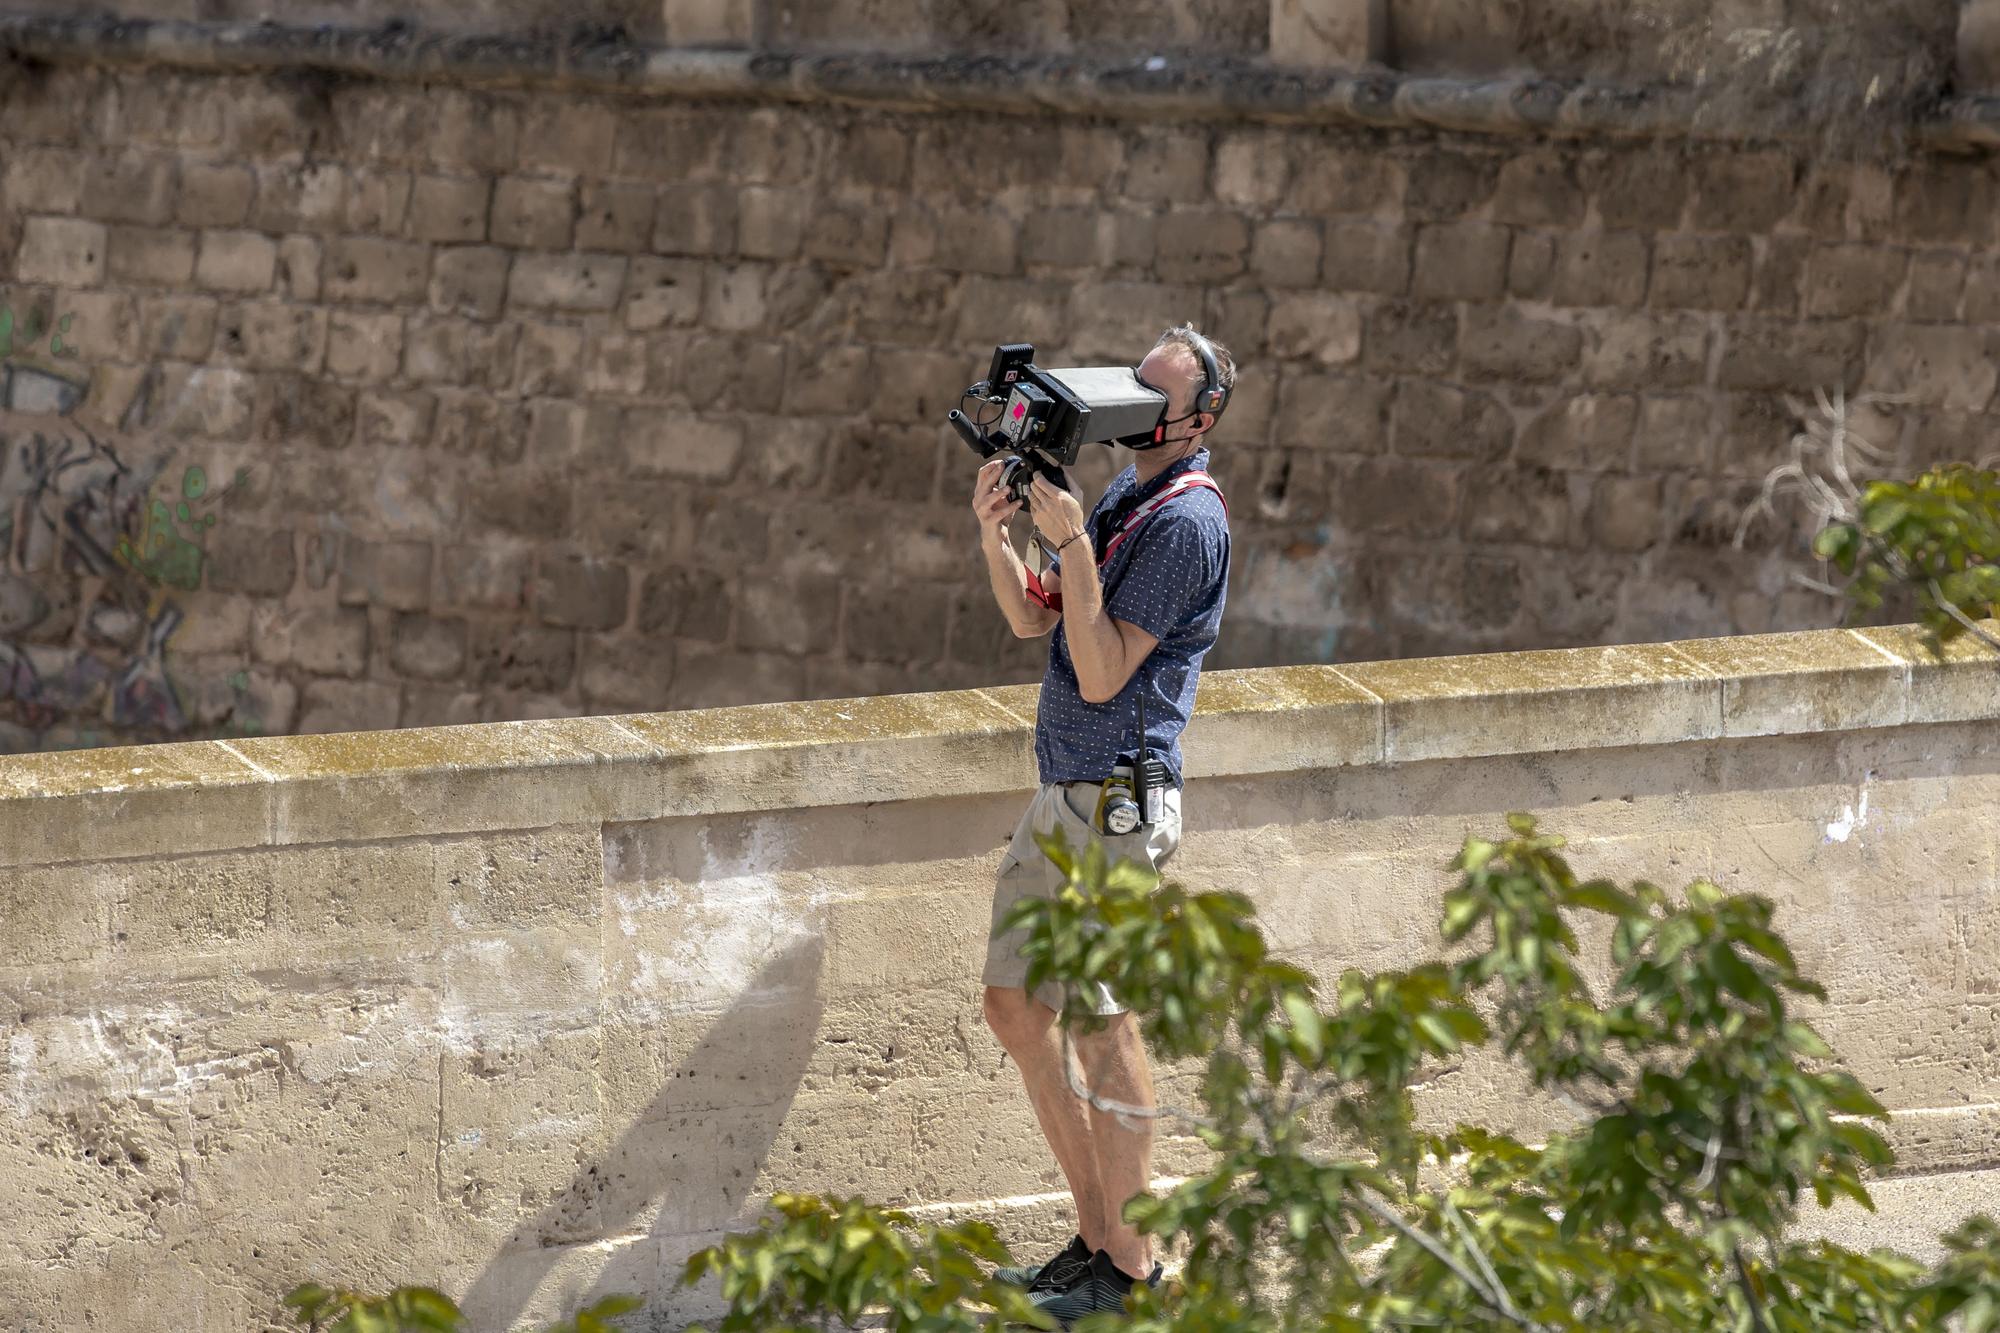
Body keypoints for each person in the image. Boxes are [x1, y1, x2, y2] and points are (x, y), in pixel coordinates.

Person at [971, 324, 1234, 1326]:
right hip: (1064, 787)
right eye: (1133, 388)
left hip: (1118, 795)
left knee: (1100, 1017)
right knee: (1014, 1006)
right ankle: (1097, 1240)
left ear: (1199, 420)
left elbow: (1099, 667)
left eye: (1157, 397)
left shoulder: (1187, 521)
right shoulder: (1125, 492)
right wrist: (996, 534)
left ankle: (1129, 1271)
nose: (1136, 409)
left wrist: (1075, 543)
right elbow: (1035, 619)